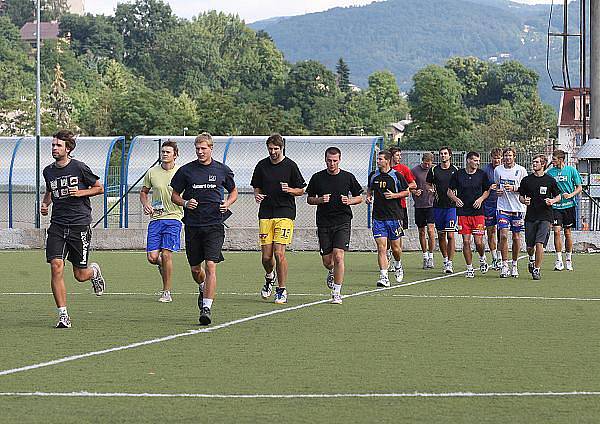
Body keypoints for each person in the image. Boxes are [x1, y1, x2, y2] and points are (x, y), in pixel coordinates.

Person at [41, 130, 106, 328]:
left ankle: (93, 272)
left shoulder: (79, 168)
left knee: (80, 275)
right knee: (56, 265)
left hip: (79, 225)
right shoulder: (48, 171)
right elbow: (50, 190)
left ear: (68, 148)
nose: (54, 148)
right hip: (57, 226)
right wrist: (45, 204)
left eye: (58, 145)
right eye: (53, 145)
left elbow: (99, 188)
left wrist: (80, 192)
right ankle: (63, 315)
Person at [171, 133, 238, 325]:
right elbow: (174, 195)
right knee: (195, 269)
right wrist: (185, 202)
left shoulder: (222, 170)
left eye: (204, 148)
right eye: (197, 149)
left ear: (211, 148)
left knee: (210, 265)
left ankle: (206, 307)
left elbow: (233, 191)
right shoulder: (186, 171)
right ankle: (202, 286)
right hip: (193, 225)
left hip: (215, 225)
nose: (200, 152)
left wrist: (228, 202)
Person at [251, 133, 306, 304]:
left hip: (285, 212)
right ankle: (269, 276)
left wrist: (289, 189)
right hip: (266, 213)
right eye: (270, 149)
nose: (273, 152)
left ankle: (281, 290)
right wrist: (257, 196)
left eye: (276, 149)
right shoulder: (262, 165)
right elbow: (256, 187)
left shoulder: (290, 165)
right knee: (266, 257)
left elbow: (301, 190)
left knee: (279, 252)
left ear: (281, 148)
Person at [306, 147, 363, 304]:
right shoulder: (317, 178)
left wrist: (349, 201)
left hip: (343, 221)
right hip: (324, 223)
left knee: (339, 255)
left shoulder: (348, 177)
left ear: (340, 160)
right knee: (327, 261)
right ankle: (331, 271)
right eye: (329, 160)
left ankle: (337, 292)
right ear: (325, 160)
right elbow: (309, 199)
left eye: (335, 161)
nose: (332, 163)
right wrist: (320, 200)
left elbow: (359, 197)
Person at [140, 140, 183, 303]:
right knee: (152, 257)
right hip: (156, 218)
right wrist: (146, 204)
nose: (164, 154)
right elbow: (144, 192)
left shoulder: (182, 172)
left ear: (175, 155)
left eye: (168, 152)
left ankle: (166, 291)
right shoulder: (152, 172)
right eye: (163, 151)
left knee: (166, 254)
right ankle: (163, 266)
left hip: (174, 217)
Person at [367, 150, 410, 287]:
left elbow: (407, 191)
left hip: (394, 216)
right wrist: (368, 197)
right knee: (381, 248)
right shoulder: (373, 175)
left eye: (380, 159)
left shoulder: (396, 176)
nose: (378, 161)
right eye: (377, 159)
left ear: (387, 160)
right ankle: (384, 276)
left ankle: (398, 264)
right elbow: (369, 189)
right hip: (378, 217)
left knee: (396, 249)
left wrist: (395, 195)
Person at [447, 152, 491, 278]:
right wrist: (455, 199)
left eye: (478, 161)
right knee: (466, 241)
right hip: (463, 212)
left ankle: (482, 258)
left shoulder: (482, 174)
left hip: (478, 213)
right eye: (475, 160)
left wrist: (481, 199)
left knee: (478, 242)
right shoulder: (458, 174)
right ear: (468, 160)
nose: (477, 163)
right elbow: (449, 191)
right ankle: (469, 268)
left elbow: (487, 190)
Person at [518, 154, 561, 280]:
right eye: (533, 162)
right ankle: (531, 259)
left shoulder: (550, 180)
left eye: (537, 162)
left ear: (543, 164)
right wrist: (523, 201)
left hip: (546, 216)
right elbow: (521, 196)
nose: (534, 164)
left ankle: (537, 269)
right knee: (530, 247)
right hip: (531, 216)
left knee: (539, 244)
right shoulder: (526, 180)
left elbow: (558, 196)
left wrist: (552, 201)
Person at [494, 147, 528, 278]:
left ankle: (514, 264)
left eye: (510, 155)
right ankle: (504, 265)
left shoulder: (521, 170)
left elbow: (526, 188)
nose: (508, 158)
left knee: (516, 237)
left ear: (514, 157)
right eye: (506, 155)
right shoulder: (498, 170)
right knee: (503, 235)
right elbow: (497, 185)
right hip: (502, 207)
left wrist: (515, 188)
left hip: (517, 208)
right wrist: (498, 191)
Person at [546, 149, 583, 271]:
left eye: (554, 159)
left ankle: (568, 259)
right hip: (556, 207)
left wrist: (571, 195)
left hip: (569, 206)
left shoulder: (571, 170)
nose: (553, 161)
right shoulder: (550, 173)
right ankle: (559, 260)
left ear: (561, 159)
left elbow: (579, 187)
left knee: (567, 233)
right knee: (556, 231)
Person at [426, 146, 458, 273]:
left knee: (450, 235)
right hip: (438, 206)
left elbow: (461, 184)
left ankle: (450, 263)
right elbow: (428, 183)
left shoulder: (455, 170)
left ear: (450, 155)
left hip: (451, 207)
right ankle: (445, 259)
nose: (443, 156)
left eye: (445, 153)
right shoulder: (434, 170)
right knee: (441, 235)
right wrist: (430, 189)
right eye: (441, 154)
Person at [411, 152, 436, 269]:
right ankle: (425, 256)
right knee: (421, 231)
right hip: (419, 205)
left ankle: (431, 256)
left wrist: (434, 190)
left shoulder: (435, 171)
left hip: (431, 205)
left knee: (431, 231)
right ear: (422, 161)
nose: (427, 165)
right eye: (425, 163)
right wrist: (414, 191)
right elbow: (409, 186)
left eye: (429, 163)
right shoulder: (415, 170)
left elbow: (440, 185)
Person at [483, 147, 503, 270]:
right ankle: (494, 257)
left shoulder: (505, 170)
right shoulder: (485, 170)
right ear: (491, 158)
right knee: (491, 232)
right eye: (494, 158)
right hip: (489, 204)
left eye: (499, 158)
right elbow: (481, 186)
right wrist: (489, 187)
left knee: (502, 232)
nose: (497, 160)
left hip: (502, 205)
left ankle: (501, 257)